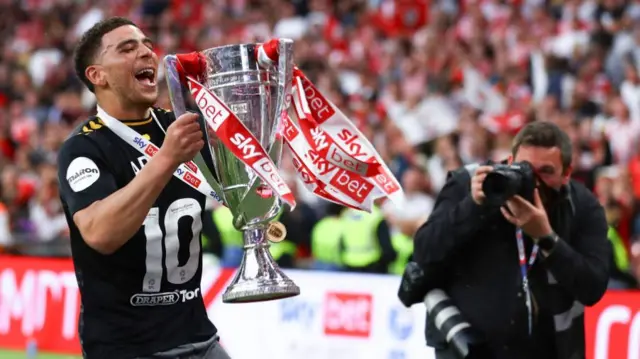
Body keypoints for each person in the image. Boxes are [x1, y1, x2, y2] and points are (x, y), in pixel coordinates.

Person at [57, 17, 231, 359]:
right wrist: (166, 159)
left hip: (200, 338)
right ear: (98, 75)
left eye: (147, 45)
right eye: (127, 48)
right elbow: (100, 233)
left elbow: (237, 191)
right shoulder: (83, 148)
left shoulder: (181, 126)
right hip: (127, 348)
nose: (146, 53)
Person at [412, 122, 610, 359]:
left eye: (546, 171)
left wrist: (546, 238)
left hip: (544, 350)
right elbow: (425, 251)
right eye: (524, 168)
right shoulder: (470, 183)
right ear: (508, 161)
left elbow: (592, 289)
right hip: (468, 348)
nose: (534, 181)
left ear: (567, 173)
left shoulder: (582, 206)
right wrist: (473, 207)